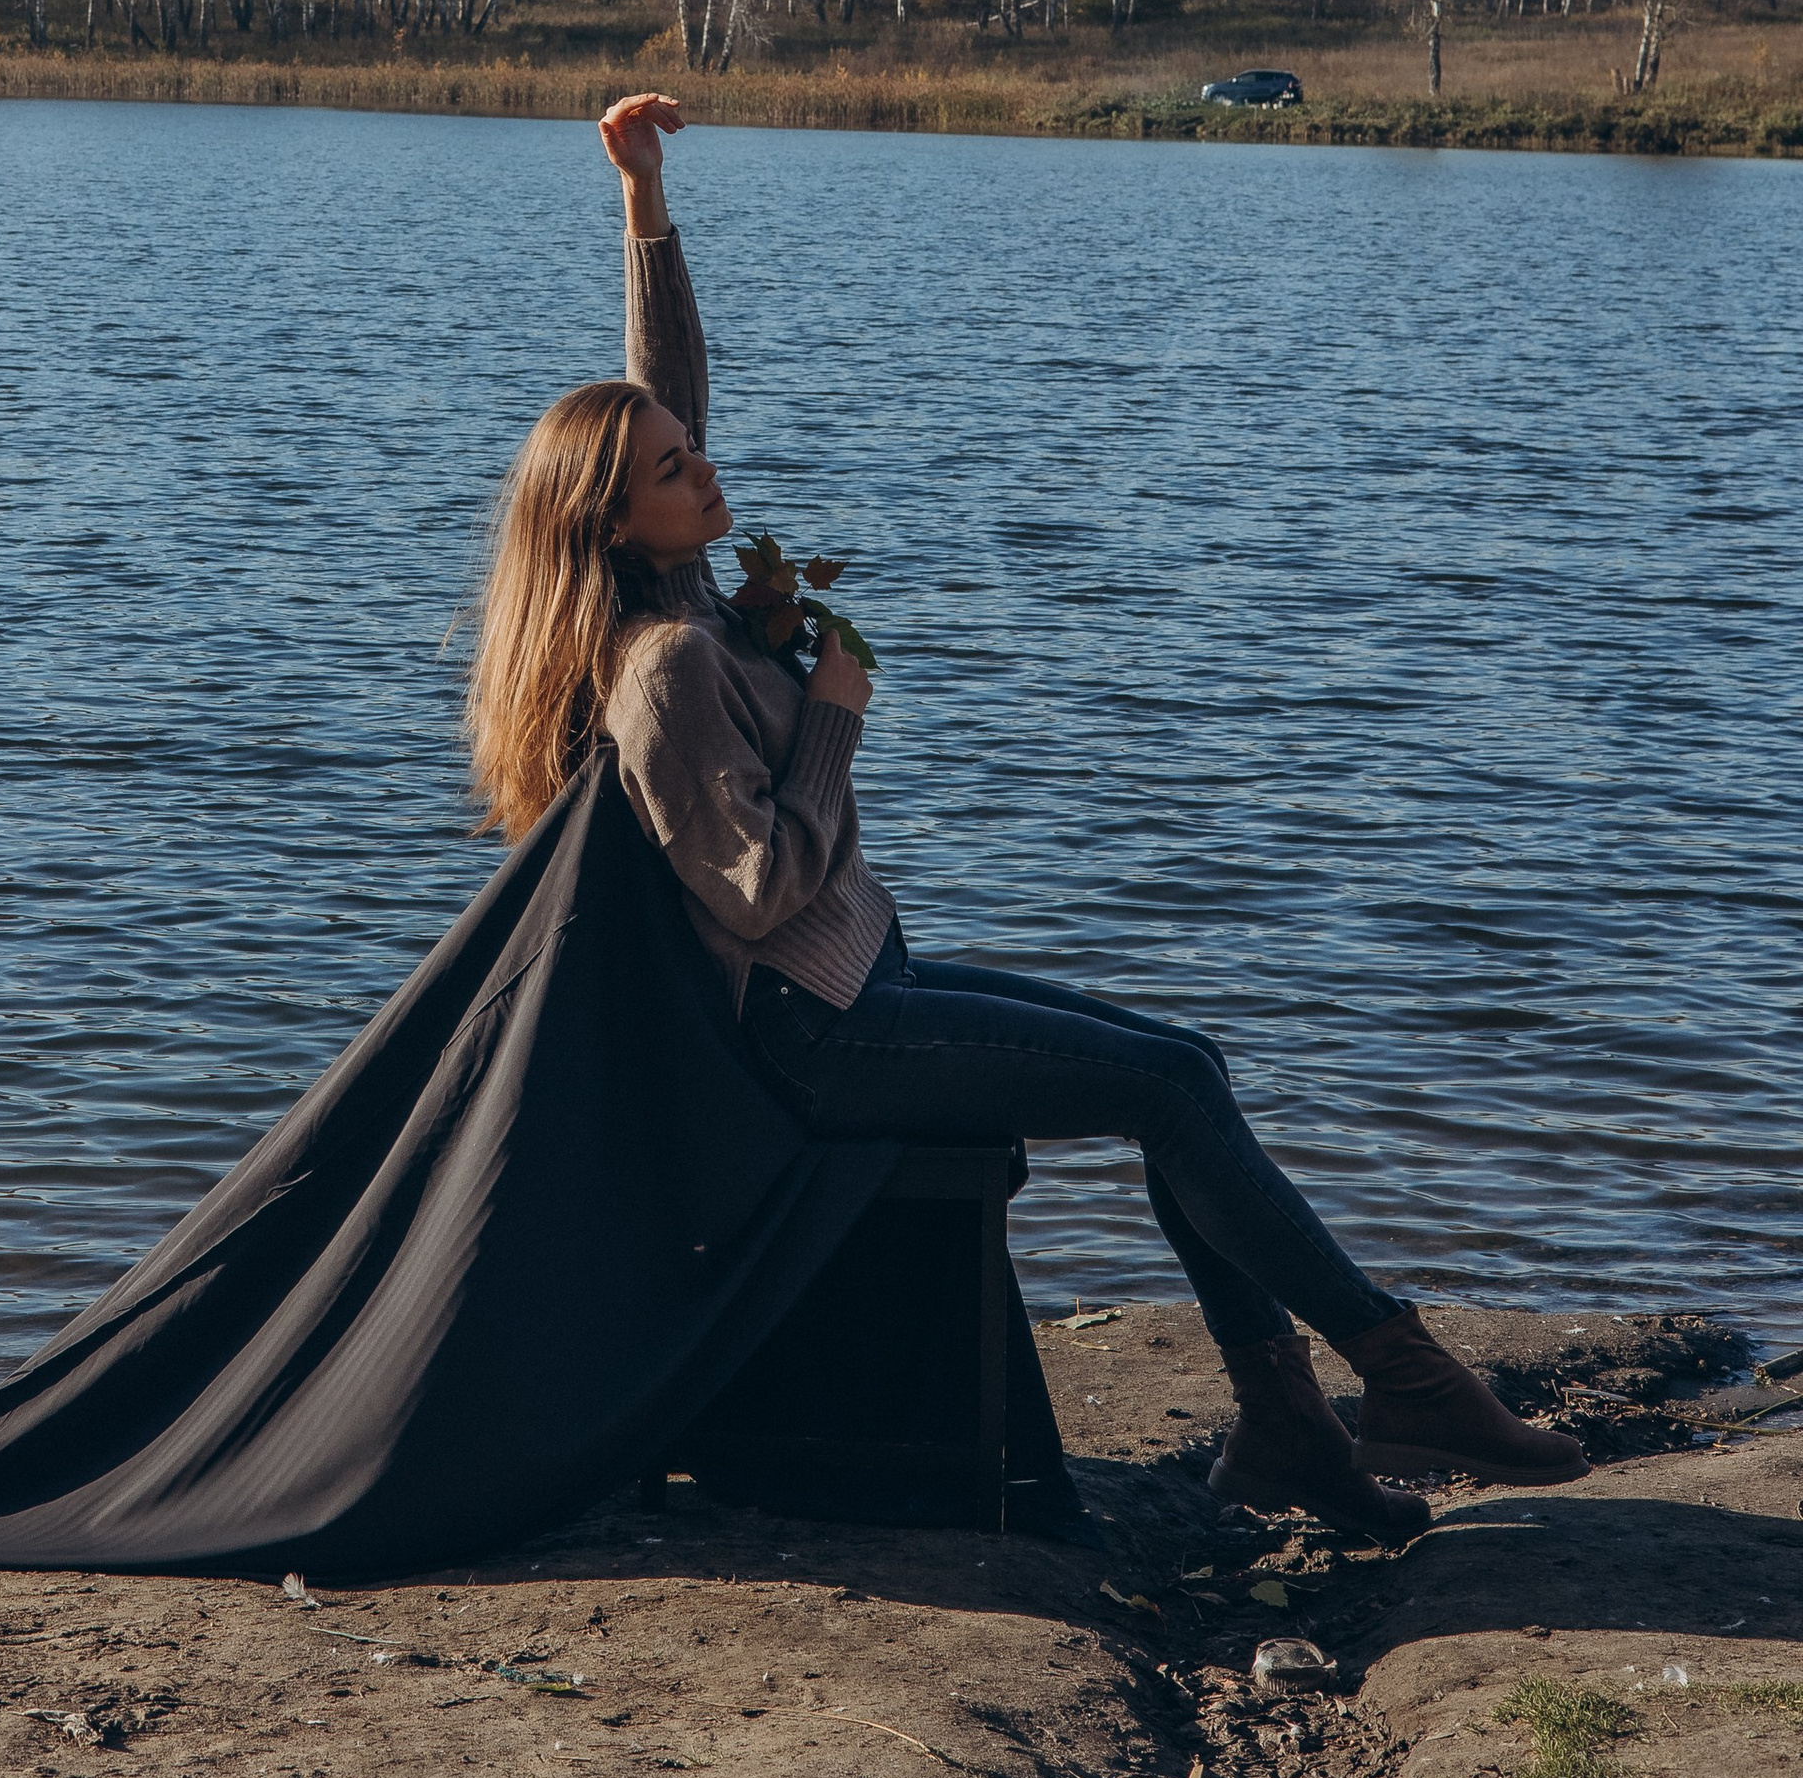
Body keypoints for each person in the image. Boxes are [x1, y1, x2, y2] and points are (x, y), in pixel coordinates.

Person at [464, 91, 1589, 1535]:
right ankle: (1395, 1374)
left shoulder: (663, 585)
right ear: (620, 523)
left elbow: (664, 384)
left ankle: (1294, 1428)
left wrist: (644, 205)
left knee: (1182, 1064)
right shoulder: (666, 666)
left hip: (866, 984)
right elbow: (750, 892)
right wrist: (831, 724)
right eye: (678, 470)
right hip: (819, 1039)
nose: (709, 469)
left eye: (693, 447)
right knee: (1170, 1090)